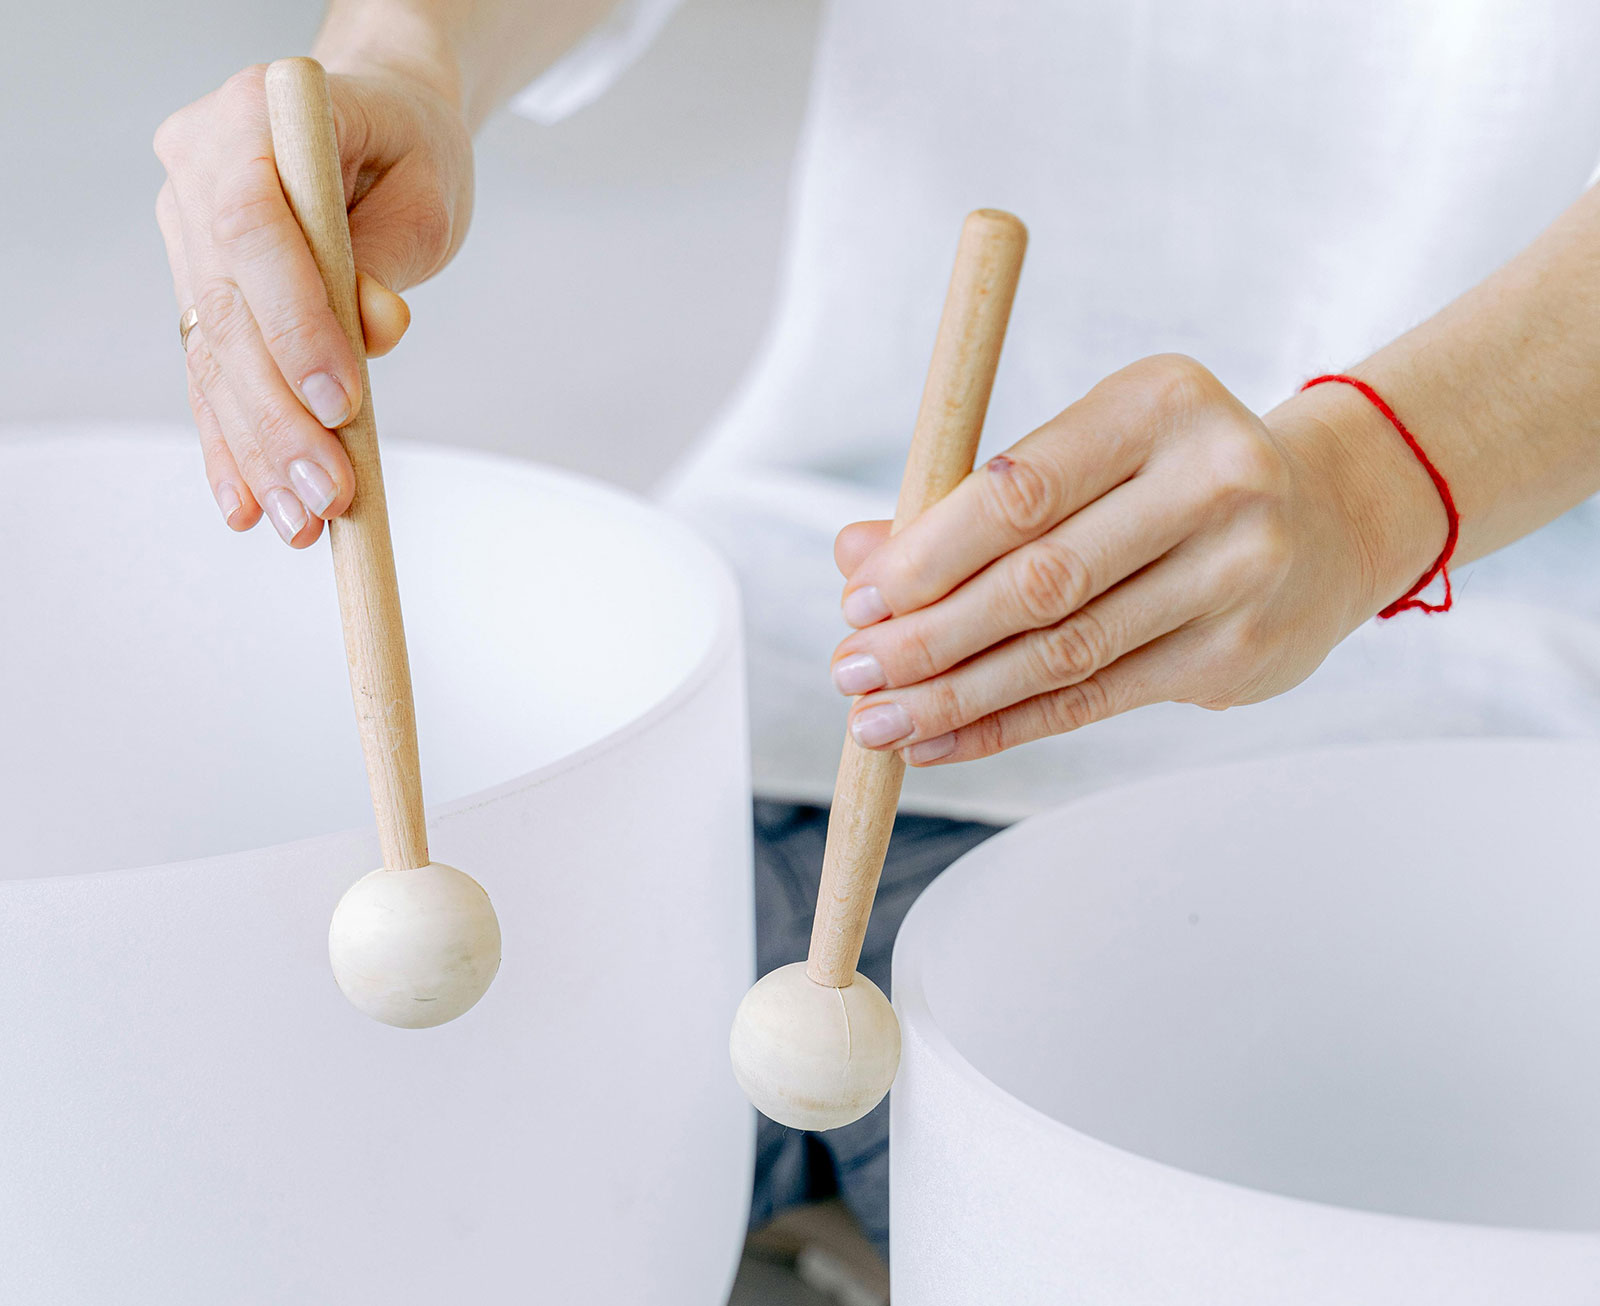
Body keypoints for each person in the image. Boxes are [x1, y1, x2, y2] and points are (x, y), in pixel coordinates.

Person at [153, 0, 1600, 1258]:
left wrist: (1380, 480)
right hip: (804, 649)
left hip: (1454, 719)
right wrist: (404, 51)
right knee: (297, 1168)